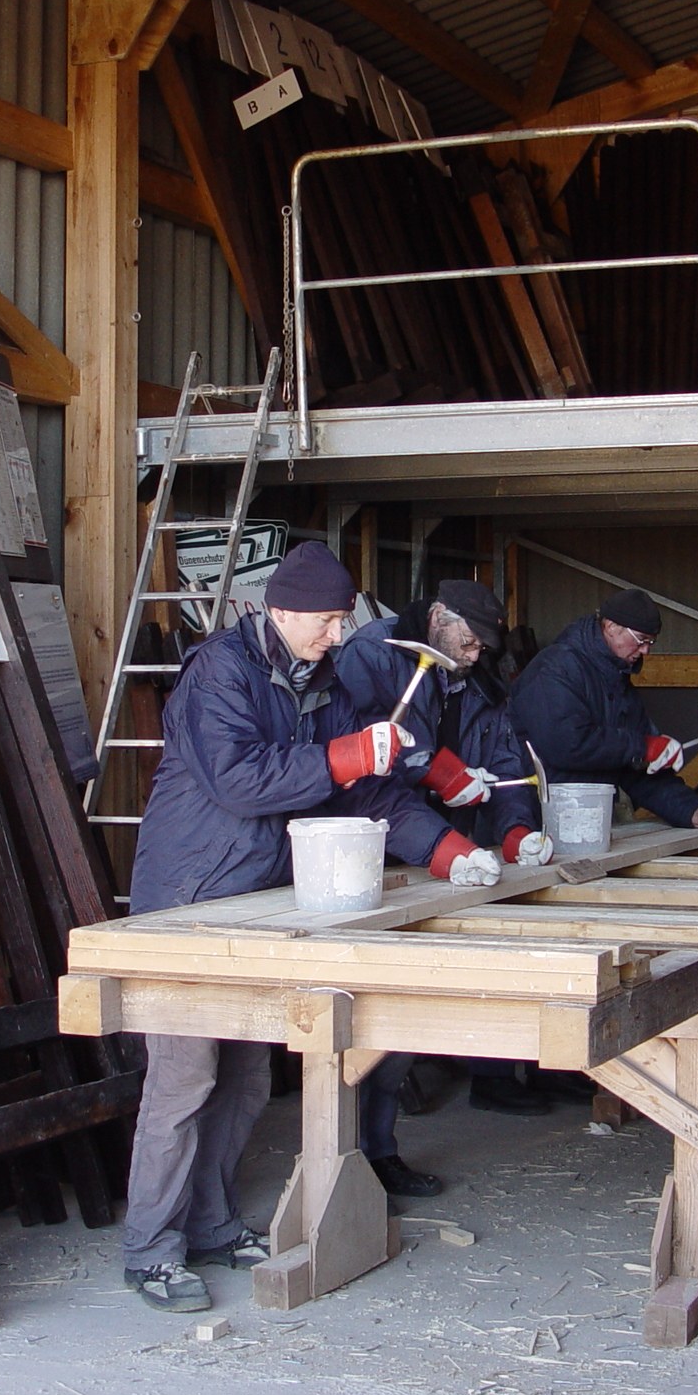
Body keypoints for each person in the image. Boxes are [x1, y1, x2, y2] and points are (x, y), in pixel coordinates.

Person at [120, 542, 504, 1314]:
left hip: (255, 902)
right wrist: (343, 755)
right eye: (327, 622)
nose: (338, 636)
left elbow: (360, 791)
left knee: (247, 1077)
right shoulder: (219, 672)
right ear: (282, 611)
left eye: (341, 621)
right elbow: (239, 779)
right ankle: (151, 1250)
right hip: (186, 898)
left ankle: (214, 1226)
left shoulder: (320, 681)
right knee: (185, 1076)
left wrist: (447, 850)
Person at [335, 579, 559, 1166]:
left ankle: (382, 1150)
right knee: (372, 1014)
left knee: (415, 1003)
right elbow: (366, 753)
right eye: (469, 638)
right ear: (437, 617)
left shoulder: (479, 675)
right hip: (378, 852)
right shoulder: (373, 654)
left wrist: (516, 831)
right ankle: (365, 1157)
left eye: (486, 643)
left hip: (447, 855)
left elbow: (509, 765)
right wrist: (437, 773)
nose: (476, 651)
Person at [507, 588, 698, 835]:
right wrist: (642, 746)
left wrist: (690, 811)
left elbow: (636, 769)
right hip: (532, 823)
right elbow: (567, 744)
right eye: (641, 639)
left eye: (651, 642)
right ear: (611, 627)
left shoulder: (618, 682)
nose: (646, 651)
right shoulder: (555, 669)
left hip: (584, 825)